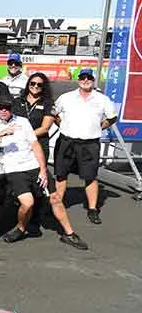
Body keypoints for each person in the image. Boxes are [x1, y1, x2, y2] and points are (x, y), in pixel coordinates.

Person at [0, 100, 53, 243]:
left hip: (31, 164)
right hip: (11, 168)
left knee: (54, 198)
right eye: (1, 108)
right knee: (28, 203)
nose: (4, 111)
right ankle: (20, 228)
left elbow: (35, 145)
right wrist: (0, 134)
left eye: (7, 108)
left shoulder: (23, 121)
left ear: (12, 109)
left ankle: (68, 232)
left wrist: (43, 169)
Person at [52, 68, 118, 226]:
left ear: (93, 80)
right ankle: (56, 205)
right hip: (66, 141)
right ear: (78, 79)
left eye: (89, 77)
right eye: (83, 77)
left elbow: (112, 117)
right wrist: (62, 125)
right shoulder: (66, 97)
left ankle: (93, 209)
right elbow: (53, 113)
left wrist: (99, 127)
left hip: (89, 144)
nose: (85, 80)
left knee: (90, 176)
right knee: (61, 175)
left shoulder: (102, 99)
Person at [14, 71, 56, 235]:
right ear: (28, 84)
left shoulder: (48, 104)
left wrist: (25, 136)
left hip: (38, 145)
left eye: (39, 84)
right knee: (20, 180)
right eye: (32, 83)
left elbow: (45, 128)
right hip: (19, 147)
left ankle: (35, 220)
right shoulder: (17, 101)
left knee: (38, 183)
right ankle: (21, 214)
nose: (35, 86)